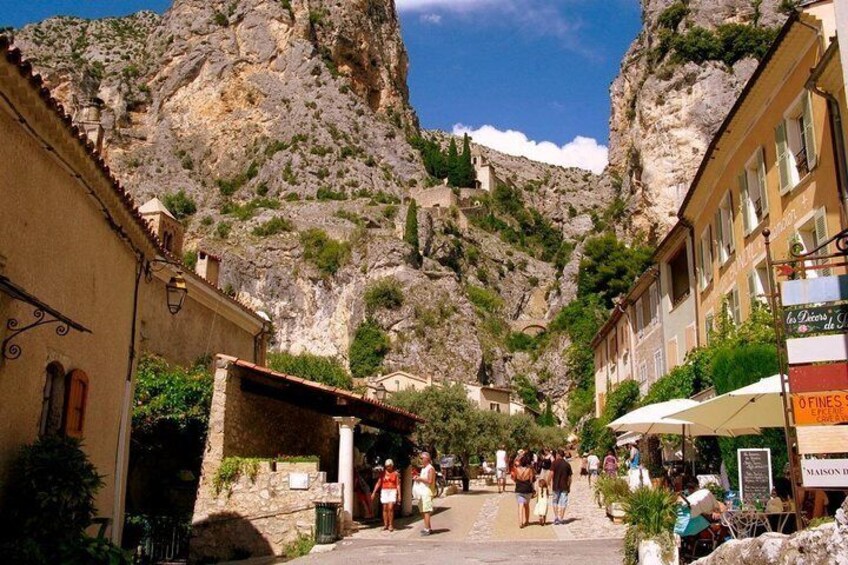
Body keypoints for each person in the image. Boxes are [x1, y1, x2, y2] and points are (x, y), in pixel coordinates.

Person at [372, 459, 401, 532]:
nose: (388, 467)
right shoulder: (383, 473)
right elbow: (378, 483)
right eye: (387, 466)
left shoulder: (395, 474)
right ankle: (385, 524)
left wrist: (399, 495)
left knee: (390, 508)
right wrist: (374, 492)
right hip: (384, 490)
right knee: (384, 508)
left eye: (389, 466)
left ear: (392, 466)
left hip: (392, 490)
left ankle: (391, 524)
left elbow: (398, 485)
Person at [413, 452, 436, 536]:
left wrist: (420, 479)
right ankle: (428, 527)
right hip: (422, 491)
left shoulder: (430, 468)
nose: (421, 460)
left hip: (427, 491)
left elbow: (430, 481)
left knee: (426, 510)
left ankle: (427, 529)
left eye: (422, 458)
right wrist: (418, 478)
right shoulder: (424, 468)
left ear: (427, 459)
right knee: (422, 510)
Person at [513, 452, 536, 528]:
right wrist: (533, 490)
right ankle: (527, 521)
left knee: (520, 505)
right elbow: (531, 480)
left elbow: (515, 478)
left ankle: (520, 522)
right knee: (526, 506)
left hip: (519, 489)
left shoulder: (516, 469)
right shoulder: (529, 469)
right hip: (527, 489)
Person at [550, 449, 573, 525]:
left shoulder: (554, 463)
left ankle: (556, 517)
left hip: (556, 486)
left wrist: (548, 483)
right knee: (563, 503)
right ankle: (561, 518)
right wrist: (569, 486)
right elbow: (570, 478)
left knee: (555, 502)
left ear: (557, 455)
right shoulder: (567, 464)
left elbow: (551, 474)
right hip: (564, 486)